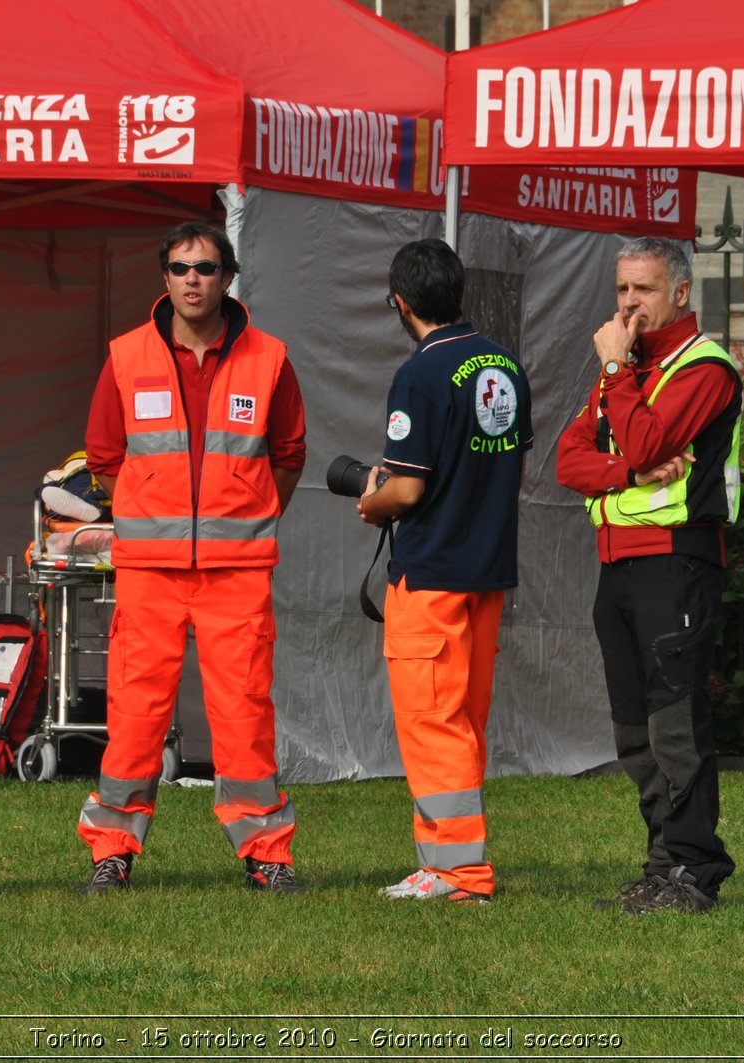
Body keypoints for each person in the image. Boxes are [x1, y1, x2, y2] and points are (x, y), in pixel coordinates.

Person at [76, 221, 306, 895]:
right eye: (180, 268)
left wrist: (243, 514)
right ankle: (111, 849)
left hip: (236, 572)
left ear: (228, 276)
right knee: (136, 712)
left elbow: (288, 458)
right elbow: (103, 459)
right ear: (165, 277)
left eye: (205, 267)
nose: (192, 279)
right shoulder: (126, 356)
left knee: (244, 712)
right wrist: (154, 517)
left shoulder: (269, 358)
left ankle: (266, 851)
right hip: (150, 571)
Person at [556, 236, 741, 915]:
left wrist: (613, 374)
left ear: (681, 294)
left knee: (675, 721)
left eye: (643, 289)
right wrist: (628, 471)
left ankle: (694, 868)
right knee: (634, 727)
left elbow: (642, 438)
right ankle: (662, 863)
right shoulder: (628, 370)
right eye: (621, 290)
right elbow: (569, 458)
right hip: (617, 562)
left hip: (676, 560)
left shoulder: (704, 367)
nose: (629, 303)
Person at [357, 238, 532, 905]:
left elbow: (405, 490)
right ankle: (446, 859)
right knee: (462, 719)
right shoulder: (503, 364)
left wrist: (374, 501)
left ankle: (459, 871)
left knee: (433, 721)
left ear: (400, 303)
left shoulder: (422, 372)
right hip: (487, 570)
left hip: (431, 573)